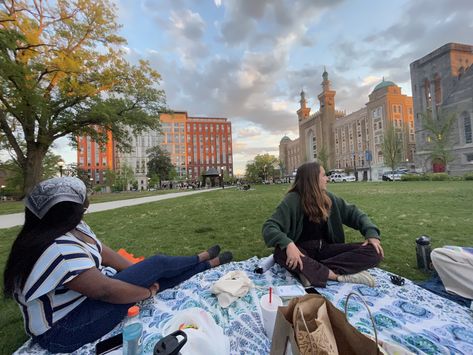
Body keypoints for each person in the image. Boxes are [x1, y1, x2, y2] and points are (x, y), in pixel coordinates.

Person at [3, 177, 233, 353]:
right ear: (64, 214)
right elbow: (105, 291)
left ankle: (204, 262)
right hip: (63, 329)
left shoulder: (74, 227)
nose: (88, 205)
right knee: (157, 270)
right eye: (82, 205)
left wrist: (137, 273)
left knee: (156, 268)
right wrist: (147, 290)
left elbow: (104, 252)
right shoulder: (56, 250)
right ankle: (202, 261)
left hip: (87, 299)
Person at [262, 162, 383, 288]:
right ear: (313, 179)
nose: (327, 179)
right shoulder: (292, 200)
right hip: (301, 252)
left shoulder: (329, 198)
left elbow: (355, 214)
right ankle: (335, 276)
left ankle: (311, 271)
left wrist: (372, 234)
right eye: (324, 175)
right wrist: (288, 244)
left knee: (374, 251)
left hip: (327, 251)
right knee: (280, 252)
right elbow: (269, 227)